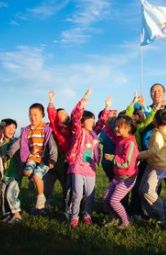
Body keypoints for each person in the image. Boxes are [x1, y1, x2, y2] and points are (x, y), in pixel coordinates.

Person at [67, 88, 110, 228]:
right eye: (89, 119)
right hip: (77, 167)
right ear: (83, 120)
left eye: (93, 119)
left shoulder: (94, 133)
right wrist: (84, 99)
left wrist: (107, 107)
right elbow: (75, 116)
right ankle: (74, 216)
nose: (92, 121)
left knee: (90, 194)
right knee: (77, 194)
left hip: (90, 169)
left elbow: (102, 122)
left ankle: (87, 214)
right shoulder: (78, 132)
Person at [4, 103, 58, 214]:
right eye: (30, 114)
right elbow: (18, 144)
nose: (32, 117)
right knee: (27, 172)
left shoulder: (46, 130)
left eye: (35, 114)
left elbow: (52, 146)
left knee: (37, 176)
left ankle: (40, 198)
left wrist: (53, 159)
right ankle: (33, 181)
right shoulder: (26, 130)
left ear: (42, 115)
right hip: (32, 158)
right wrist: (9, 154)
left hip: (44, 160)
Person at [103, 102, 140, 229]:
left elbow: (126, 162)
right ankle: (114, 218)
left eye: (119, 126)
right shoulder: (120, 138)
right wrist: (108, 112)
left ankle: (126, 222)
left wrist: (113, 158)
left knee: (114, 200)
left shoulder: (129, 143)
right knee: (106, 198)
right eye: (116, 126)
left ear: (128, 128)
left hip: (127, 178)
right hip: (118, 176)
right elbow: (108, 130)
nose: (116, 128)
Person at [137, 109, 166, 222]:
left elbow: (153, 151)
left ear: (155, 120)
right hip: (153, 164)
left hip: (157, 166)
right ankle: (151, 214)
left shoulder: (157, 134)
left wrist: (137, 155)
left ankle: (163, 214)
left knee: (148, 191)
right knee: (142, 190)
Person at [46, 90, 73, 217]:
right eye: (62, 114)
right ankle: (46, 204)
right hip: (56, 159)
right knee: (49, 184)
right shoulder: (56, 128)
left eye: (66, 113)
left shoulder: (73, 127)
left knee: (66, 186)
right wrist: (51, 101)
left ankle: (66, 207)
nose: (66, 115)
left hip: (68, 161)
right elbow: (51, 116)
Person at [0, 118, 23, 224]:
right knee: (3, 195)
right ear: (3, 128)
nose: (12, 130)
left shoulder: (17, 142)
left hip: (15, 174)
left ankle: (17, 215)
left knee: (10, 194)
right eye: (9, 127)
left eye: (14, 128)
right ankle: (9, 214)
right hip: (4, 175)